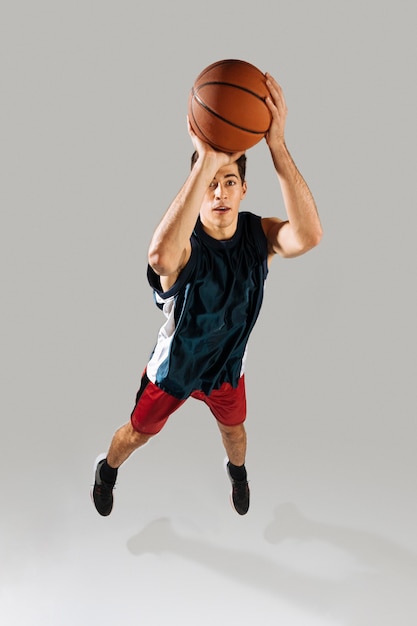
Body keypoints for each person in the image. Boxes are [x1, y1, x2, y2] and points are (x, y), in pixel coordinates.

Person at [91, 73, 322, 517]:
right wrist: (206, 159)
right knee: (136, 435)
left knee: (236, 436)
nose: (220, 192)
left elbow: (309, 235)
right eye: (211, 183)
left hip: (226, 367)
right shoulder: (186, 246)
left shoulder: (259, 234)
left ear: (243, 189)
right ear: (198, 190)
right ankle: (106, 470)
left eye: (229, 181)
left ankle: (237, 474)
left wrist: (276, 143)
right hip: (176, 368)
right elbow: (160, 256)